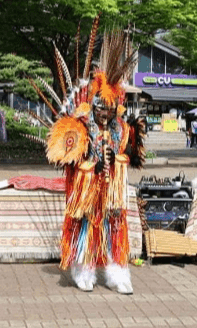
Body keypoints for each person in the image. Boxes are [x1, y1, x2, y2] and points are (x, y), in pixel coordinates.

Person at [46, 30, 146, 294]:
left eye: (110, 110)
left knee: (115, 228)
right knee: (86, 228)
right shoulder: (79, 126)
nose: (105, 114)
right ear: (93, 105)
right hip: (88, 193)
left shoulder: (121, 129)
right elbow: (67, 161)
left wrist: (123, 154)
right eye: (101, 108)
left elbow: (133, 158)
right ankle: (84, 271)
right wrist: (92, 165)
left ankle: (117, 274)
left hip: (112, 194)